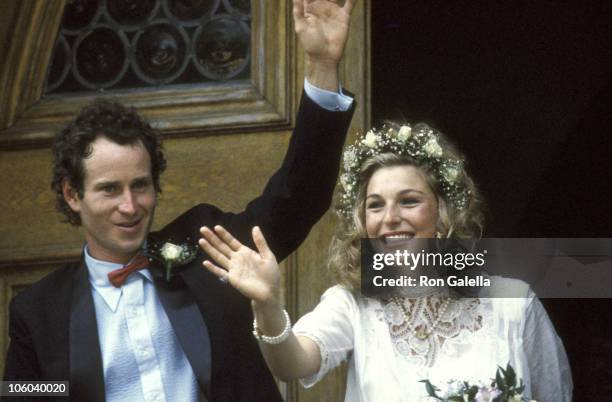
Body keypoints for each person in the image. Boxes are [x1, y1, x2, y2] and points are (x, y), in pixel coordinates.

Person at [3, 1, 357, 401]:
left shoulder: (205, 247)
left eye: (140, 185)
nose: (130, 205)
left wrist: (323, 65)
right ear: (72, 194)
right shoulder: (38, 311)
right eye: (109, 189)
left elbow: (298, 199)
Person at [199, 122, 573, 401]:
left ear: (444, 212)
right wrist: (268, 304)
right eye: (375, 205)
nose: (390, 218)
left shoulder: (513, 302)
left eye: (409, 201)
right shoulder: (351, 304)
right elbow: (292, 364)